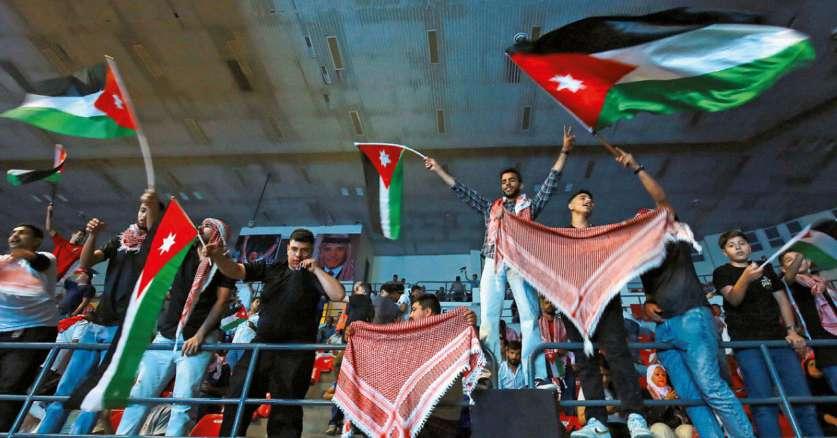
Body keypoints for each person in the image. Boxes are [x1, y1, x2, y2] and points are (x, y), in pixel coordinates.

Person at [424, 125, 574, 388]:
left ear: (520, 184)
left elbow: (550, 184)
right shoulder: (490, 208)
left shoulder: (529, 206)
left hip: (519, 264)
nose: (507, 184)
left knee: (530, 318)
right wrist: (438, 169)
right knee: (489, 321)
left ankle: (538, 376)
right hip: (493, 263)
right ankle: (488, 374)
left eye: (512, 180)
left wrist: (564, 151)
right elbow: (462, 190)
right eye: (504, 181)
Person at [631, 154, 754, 437]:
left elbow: (662, 201)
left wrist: (636, 168)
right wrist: (648, 304)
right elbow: (650, 294)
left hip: (692, 319)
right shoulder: (643, 261)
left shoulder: (676, 239)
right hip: (664, 329)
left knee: (711, 388)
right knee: (690, 398)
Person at [38, 190, 163, 434]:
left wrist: (152, 207)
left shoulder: (159, 246)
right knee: (66, 389)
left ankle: (79, 434)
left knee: (97, 394)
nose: (143, 214)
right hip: (97, 323)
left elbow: (155, 231)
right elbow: (86, 262)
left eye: (149, 211)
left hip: (123, 328)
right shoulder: (120, 240)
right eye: (141, 209)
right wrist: (93, 236)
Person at [206, 228, 345, 437]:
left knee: (285, 414)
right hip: (261, 346)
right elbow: (236, 270)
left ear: (311, 252)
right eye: (294, 249)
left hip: (295, 353)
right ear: (288, 248)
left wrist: (317, 269)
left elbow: (338, 294)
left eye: (304, 251)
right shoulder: (272, 268)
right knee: (237, 396)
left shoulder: (315, 275)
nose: (298, 255)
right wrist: (217, 256)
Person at [567, 147, 659, 438]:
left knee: (619, 356)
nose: (587, 200)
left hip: (606, 302)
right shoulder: (559, 239)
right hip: (574, 306)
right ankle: (596, 422)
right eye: (581, 197)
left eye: (590, 199)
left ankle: (636, 417)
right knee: (585, 363)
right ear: (570, 205)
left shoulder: (604, 235)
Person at [116, 218, 235, 436]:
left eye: (209, 226)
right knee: (139, 396)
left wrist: (200, 336)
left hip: (196, 340)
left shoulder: (225, 264)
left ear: (219, 235)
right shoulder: (184, 253)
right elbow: (159, 240)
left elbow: (222, 302)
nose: (202, 227)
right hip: (167, 334)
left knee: (182, 404)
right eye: (203, 224)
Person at [712, 230, 822, 437]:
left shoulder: (766, 268)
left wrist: (791, 330)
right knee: (764, 404)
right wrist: (746, 277)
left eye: (742, 243)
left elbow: (782, 300)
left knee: (802, 399)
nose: (738, 247)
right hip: (748, 345)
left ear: (749, 246)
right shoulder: (722, 272)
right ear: (725, 252)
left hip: (779, 340)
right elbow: (734, 299)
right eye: (731, 245)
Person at [345, 293, 477, 438]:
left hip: (440, 416)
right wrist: (357, 335)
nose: (410, 315)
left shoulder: (450, 335)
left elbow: (472, 347)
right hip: (417, 415)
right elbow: (382, 345)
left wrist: (471, 323)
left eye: (414, 310)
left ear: (428, 312)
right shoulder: (409, 338)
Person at [0, 224, 59, 431]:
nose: (15, 235)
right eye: (13, 232)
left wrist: (20, 254)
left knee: (11, 386)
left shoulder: (46, 259)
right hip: (3, 331)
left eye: (22, 232)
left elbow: (39, 262)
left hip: (35, 329)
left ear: (36, 241)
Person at [781, 250, 837, 393]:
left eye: (800, 258)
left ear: (809, 262)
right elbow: (789, 278)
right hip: (823, 346)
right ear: (783, 269)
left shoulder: (823, 283)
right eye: (789, 260)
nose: (797, 261)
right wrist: (800, 255)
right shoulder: (788, 284)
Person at [643, 364, 696, 438]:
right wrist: (666, 401)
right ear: (650, 376)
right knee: (659, 428)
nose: (661, 377)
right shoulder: (645, 393)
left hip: (678, 427)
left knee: (687, 430)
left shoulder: (672, 390)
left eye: (663, 375)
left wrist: (678, 401)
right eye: (657, 374)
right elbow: (652, 416)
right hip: (662, 427)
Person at [45, 202, 85, 281]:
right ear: (73, 234)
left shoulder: (81, 249)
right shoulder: (61, 242)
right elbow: (49, 228)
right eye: (79, 235)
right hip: (46, 271)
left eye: (82, 237)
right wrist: (49, 213)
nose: (80, 238)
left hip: (56, 277)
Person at [227, 297, 261, 370]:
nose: (258, 304)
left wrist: (254, 327)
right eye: (257, 302)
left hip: (245, 348)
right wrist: (236, 308)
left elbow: (261, 332)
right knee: (228, 369)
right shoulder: (242, 314)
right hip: (233, 346)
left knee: (241, 370)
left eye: (260, 303)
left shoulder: (260, 317)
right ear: (252, 303)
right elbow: (228, 326)